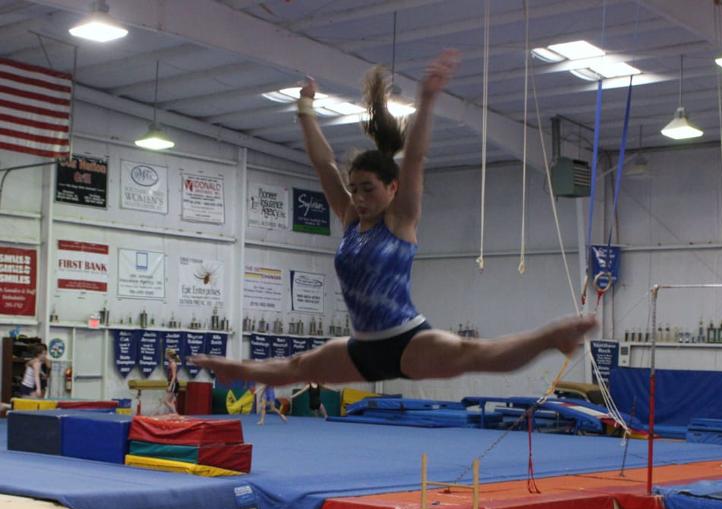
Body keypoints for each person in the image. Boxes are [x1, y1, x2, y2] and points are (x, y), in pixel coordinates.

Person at [192, 50, 596, 389]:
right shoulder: (351, 219)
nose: (359, 197)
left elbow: (416, 157)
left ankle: (552, 335)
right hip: (361, 347)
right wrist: (305, 109)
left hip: (406, 339)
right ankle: (232, 368)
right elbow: (323, 164)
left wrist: (428, 99)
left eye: (368, 188)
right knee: (299, 367)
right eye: (354, 189)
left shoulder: (400, 219)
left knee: (475, 354)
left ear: (392, 187)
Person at [163, 348, 180, 414]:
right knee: (170, 402)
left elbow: (174, 376)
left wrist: (170, 386)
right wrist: (169, 384)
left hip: (174, 383)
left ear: (169, 355)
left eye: (166, 353)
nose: (165, 355)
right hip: (172, 383)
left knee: (166, 401)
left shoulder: (173, 364)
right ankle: (173, 415)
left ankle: (175, 414)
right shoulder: (170, 363)